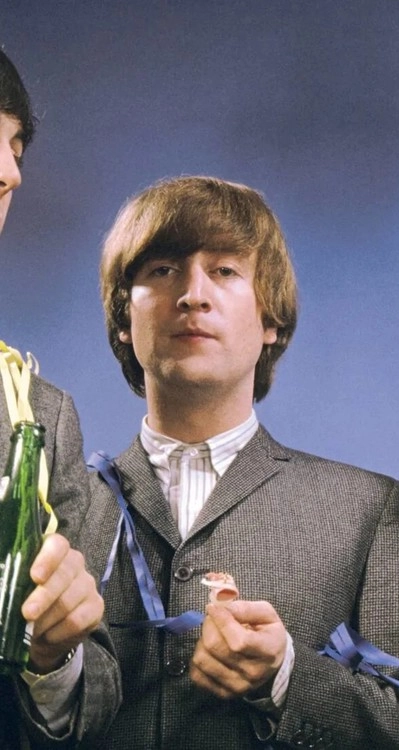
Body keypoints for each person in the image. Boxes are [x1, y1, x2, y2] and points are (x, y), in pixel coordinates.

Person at [80, 175, 399, 749]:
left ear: (271, 321)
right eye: (162, 270)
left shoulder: (367, 510)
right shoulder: (60, 506)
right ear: (123, 320)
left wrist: (287, 678)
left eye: (224, 271)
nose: (193, 295)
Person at [0, 47, 120, 748]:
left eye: (15, 150)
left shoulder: (39, 415)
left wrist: (54, 658)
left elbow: (95, 700)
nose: (10, 173)